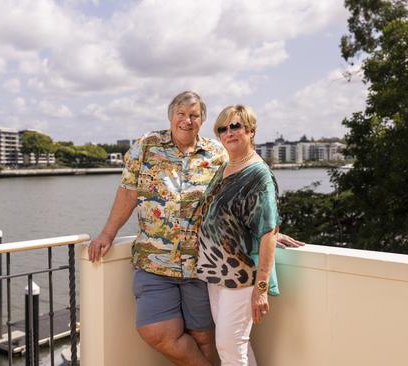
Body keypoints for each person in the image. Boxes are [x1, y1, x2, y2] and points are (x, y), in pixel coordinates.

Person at [88, 92, 302, 366]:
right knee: (155, 331)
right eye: (181, 113)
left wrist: (268, 231)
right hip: (155, 263)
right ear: (170, 115)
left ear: (202, 121)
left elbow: (242, 191)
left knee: (206, 337)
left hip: (201, 268)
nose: (187, 120)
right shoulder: (145, 146)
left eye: (194, 115)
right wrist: (108, 233)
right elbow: (128, 193)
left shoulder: (217, 153)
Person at [196, 105, 281, 366]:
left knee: (229, 345)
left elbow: (268, 232)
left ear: (251, 130)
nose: (228, 132)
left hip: (241, 274)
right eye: (222, 128)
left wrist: (262, 288)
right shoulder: (224, 169)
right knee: (235, 347)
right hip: (216, 271)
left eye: (235, 126)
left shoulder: (258, 175)